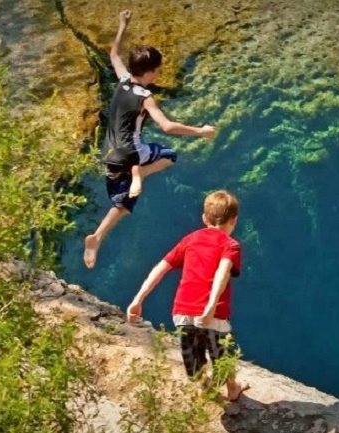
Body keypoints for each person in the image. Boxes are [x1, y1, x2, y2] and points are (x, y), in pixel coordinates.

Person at [83, 9, 216, 269]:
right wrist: (201, 131)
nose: (158, 75)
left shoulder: (122, 81)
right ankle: (140, 174)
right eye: (156, 71)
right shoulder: (145, 97)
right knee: (169, 156)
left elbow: (113, 53)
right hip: (132, 152)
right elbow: (167, 126)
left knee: (121, 202)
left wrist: (122, 24)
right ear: (149, 72)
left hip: (109, 153)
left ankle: (97, 237)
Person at [126, 190, 249, 401]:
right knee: (224, 353)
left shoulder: (190, 239)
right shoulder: (231, 245)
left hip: (182, 311)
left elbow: (161, 268)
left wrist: (138, 300)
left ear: (204, 218)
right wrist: (210, 307)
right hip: (213, 315)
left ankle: (204, 388)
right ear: (234, 220)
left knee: (193, 357)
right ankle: (232, 388)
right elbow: (223, 272)